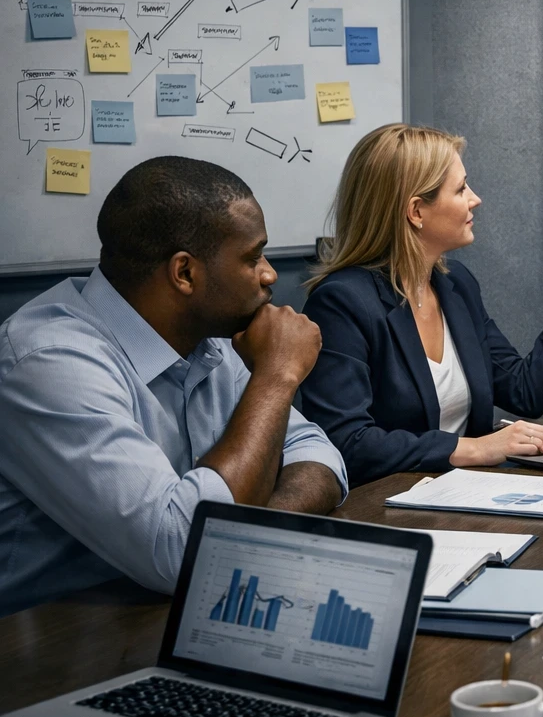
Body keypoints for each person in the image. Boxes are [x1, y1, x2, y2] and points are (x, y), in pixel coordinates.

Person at [0, 157, 346, 617]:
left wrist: (248, 527)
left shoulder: (207, 337)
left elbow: (318, 455)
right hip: (49, 654)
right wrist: (276, 376)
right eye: (251, 257)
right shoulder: (48, 362)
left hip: (171, 616)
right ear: (184, 273)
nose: (268, 275)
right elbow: (184, 549)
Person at [300, 123, 543, 484]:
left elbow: (524, 391)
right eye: (461, 188)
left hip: (467, 496)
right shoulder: (341, 302)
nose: (475, 199)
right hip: (387, 507)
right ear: (416, 211)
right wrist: (476, 449)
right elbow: (346, 443)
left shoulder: (456, 285)